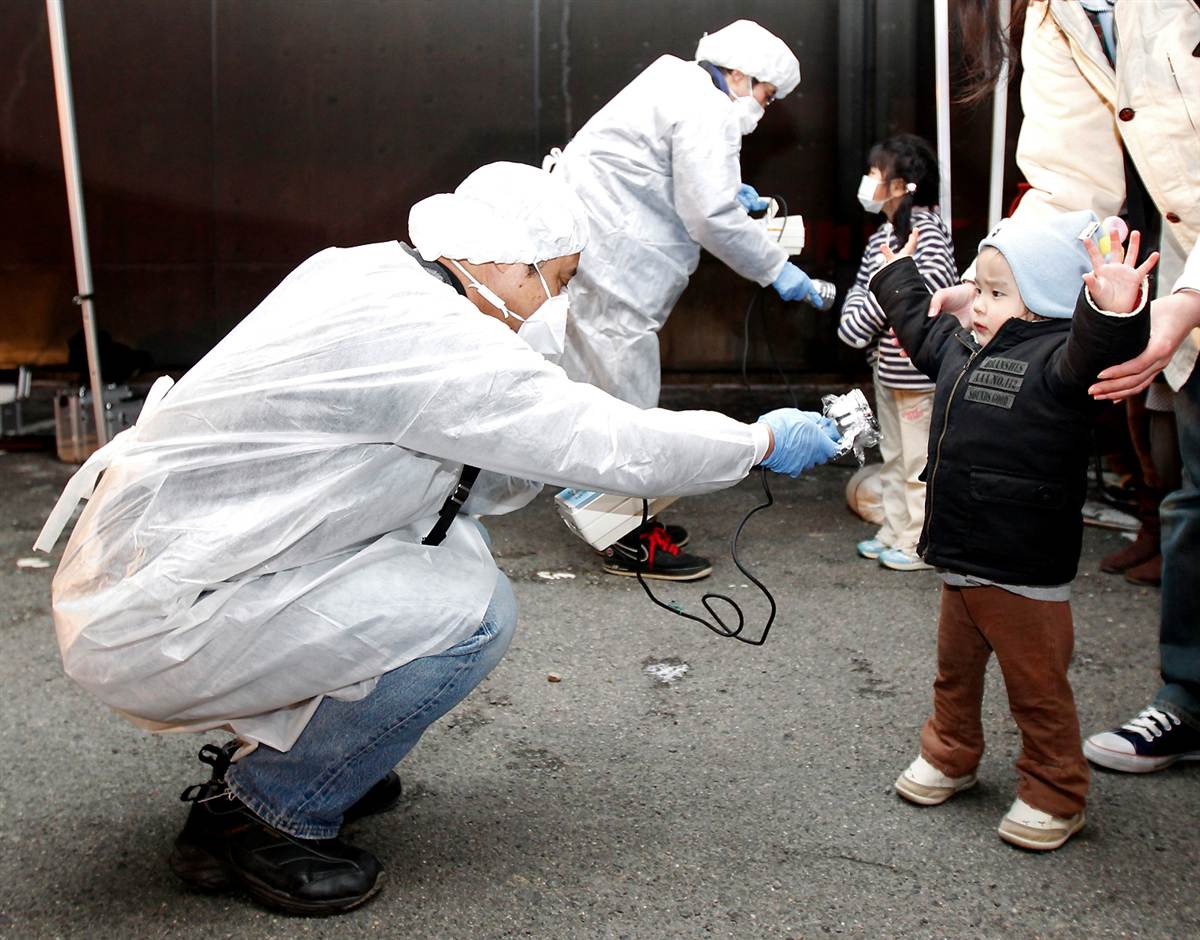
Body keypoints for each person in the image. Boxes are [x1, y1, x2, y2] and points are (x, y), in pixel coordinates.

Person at [33, 162, 841, 915]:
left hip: (154, 562)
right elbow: (611, 441)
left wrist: (547, 454)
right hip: (164, 615)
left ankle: (321, 757)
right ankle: (260, 813)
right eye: (557, 281)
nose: (556, 305)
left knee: (451, 555)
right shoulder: (446, 346)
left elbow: (455, 470)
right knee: (473, 612)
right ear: (508, 264)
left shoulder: (367, 271)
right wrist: (758, 444)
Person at [943, 0, 1200, 774]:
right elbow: (1068, 189)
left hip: (1188, 284)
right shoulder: (1057, 12)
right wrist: (990, 280)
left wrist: (1183, 305)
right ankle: (1190, 697)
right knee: (1193, 496)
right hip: (1184, 275)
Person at [874, 212, 1157, 851]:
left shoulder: (1061, 362)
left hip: (1025, 570)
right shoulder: (963, 347)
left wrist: (1111, 308)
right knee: (954, 673)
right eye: (978, 287)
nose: (977, 304)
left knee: (1037, 690)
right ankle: (950, 755)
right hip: (960, 558)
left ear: (1050, 299)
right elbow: (921, 329)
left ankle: (1055, 793)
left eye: (998, 293)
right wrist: (896, 273)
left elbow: (1100, 347)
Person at [546, 19, 827, 582]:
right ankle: (626, 537)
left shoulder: (672, 79)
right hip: (615, 271)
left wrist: (725, 189)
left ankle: (618, 516)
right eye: (766, 97)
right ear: (742, 75)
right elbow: (710, 215)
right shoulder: (708, 109)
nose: (763, 110)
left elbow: (664, 175)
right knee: (627, 406)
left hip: (593, 256)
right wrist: (777, 270)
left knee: (600, 398)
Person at [836, 133, 957, 571]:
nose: (868, 181)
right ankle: (895, 527)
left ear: (904, 185)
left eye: (876, 173)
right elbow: (868, 300)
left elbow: (924, 299)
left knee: (918, 461)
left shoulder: (924, 233)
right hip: (889, 368)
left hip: (915, 371)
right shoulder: (886, 234)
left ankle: (918, 540)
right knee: (895, 455)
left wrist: (868, 310)